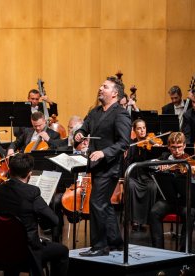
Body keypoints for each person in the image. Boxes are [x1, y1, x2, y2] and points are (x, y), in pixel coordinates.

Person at [74, 76, 131, 256]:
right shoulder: (96, 112)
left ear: (114, 94)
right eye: (101, 86)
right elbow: (85, 127)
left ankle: (100, 246)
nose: (100, 88)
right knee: (104, 205)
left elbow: (124, 143)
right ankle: (115, 242)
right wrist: (79, 134)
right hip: (96, 166)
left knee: (97, 203)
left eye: (105, 87)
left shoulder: (121, 113)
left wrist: (104, 152)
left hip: (110, 167)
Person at [0, 153, 69, 276]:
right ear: (29, 174)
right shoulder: (32, 192)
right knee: (62, 251)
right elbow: (54, 220)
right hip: (26, 252)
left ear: (9, 170)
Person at [149, 132, 195, 251]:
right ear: (169, 147)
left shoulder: (190, 161)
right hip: (169, 200)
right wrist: (159, 165)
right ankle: (158, 250)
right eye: (173, 147)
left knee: (189, 213)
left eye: (179, 147)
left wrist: (194, 174)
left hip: (185, 201)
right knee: (154, 211)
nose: (176, 150)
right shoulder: (165, 157)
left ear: (184, 146)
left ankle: (184, 251)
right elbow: (150, 164)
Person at [124, 119, 159, 231]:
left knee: (152, 187)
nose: (142, 130)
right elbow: (128, 163)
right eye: (139, 128)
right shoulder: (132, 145)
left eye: (144, 127)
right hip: (134, 175)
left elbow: (157, 158)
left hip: (147, 175)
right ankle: (134, 220)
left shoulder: (151, 142)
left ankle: (147, 220)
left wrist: (155, 146)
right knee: (131, 186)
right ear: (134, 130)